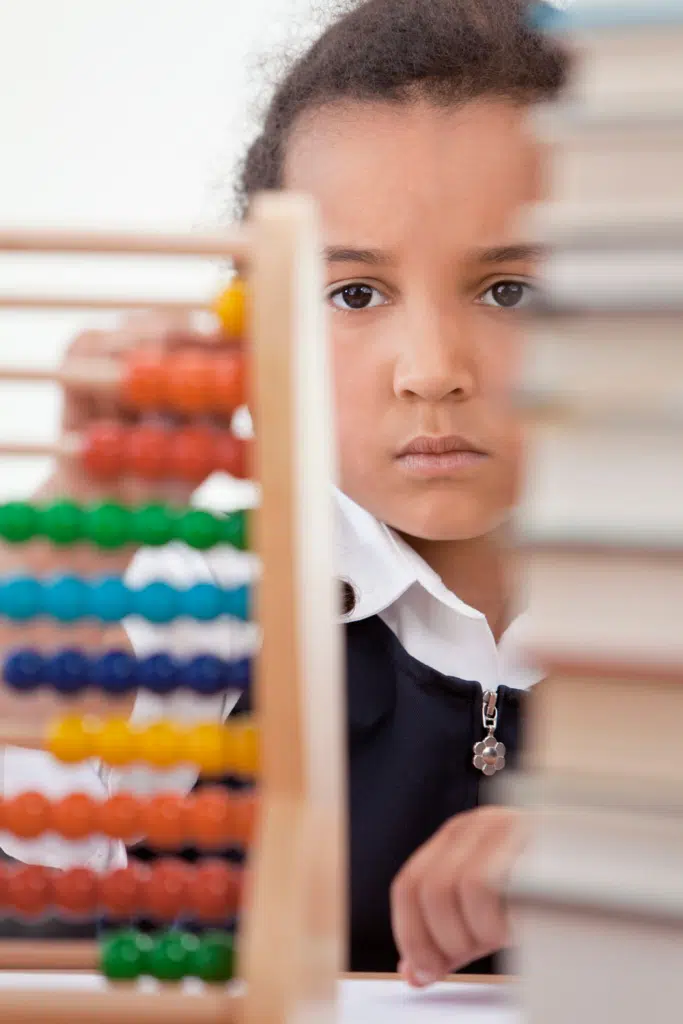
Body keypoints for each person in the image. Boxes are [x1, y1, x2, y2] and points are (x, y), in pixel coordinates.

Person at [0, 0, 569, 986]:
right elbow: (33, 829)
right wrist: (68, 551)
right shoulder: (211, 597)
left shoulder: (653, 623)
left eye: (506, 290)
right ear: (259, 319)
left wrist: (615, 859)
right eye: (353, 294)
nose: (429, 370)